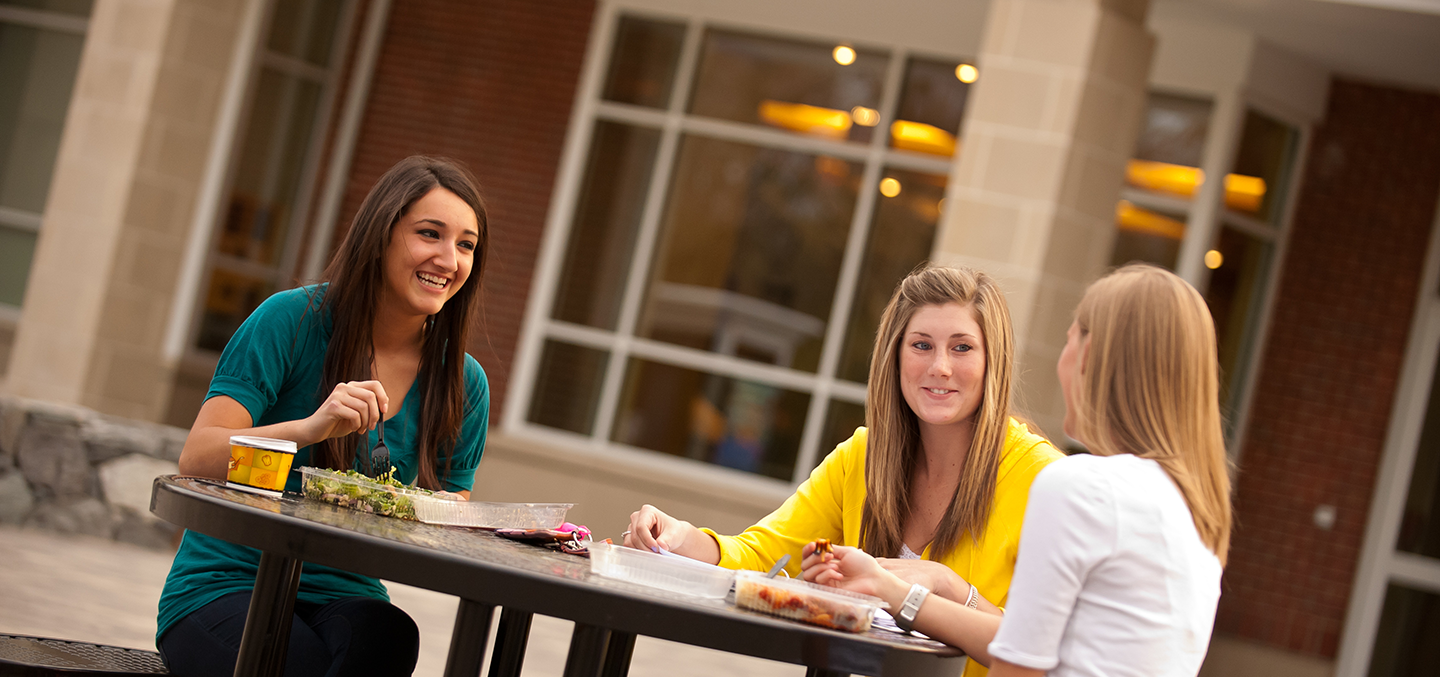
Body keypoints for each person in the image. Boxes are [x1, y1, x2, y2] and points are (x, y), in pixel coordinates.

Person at [625, 266, 1063, 677]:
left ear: (994, 361)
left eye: (962, 347)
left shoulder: (1046, 480)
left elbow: (1052, 653)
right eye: (922, 345)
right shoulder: (863, 455)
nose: (940, 367)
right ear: (894, 355)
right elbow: (764, 556)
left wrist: (948, 586)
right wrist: (679, 537)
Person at [807, 264, 1232, 677]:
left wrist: (899, 593)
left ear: (1089, 359)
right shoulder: (1198, 513)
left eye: (1069, 340)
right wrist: (917, 588)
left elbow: (1021, 662)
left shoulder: (1078, 486)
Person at [155, 156, 492, 677]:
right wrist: (310, 429)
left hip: (347, 591)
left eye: (466, 244)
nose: (449, 259)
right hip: (227, 582)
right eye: (430, 234)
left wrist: (444, 511)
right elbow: (197, 458)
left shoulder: (462, 383)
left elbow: (453, 497)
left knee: (389, 638)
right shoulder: (290, 321)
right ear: (381, 234)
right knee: (296, 662)